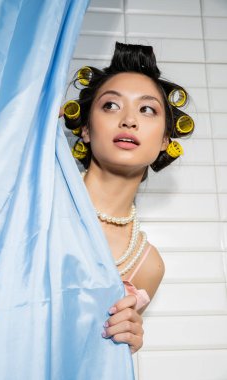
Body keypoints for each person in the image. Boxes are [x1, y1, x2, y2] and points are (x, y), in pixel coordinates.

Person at [61, 42, 194, 354]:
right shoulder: (38, 198)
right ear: (85, 130)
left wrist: (128, 338)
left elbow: (92, 354)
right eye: (110, 106)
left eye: (147, 109)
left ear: (165, 139)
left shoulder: (148, 265)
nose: (129, 120)